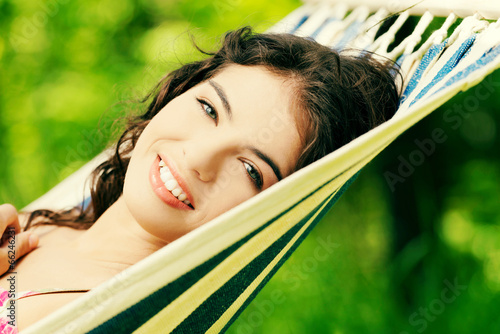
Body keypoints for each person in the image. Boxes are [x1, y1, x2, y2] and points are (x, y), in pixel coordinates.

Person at [0, 26, 401, 331]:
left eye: (250, 170)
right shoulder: (47, 227)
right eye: (209, 109)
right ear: (177, 93)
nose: (199, 158)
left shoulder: (120, 319)